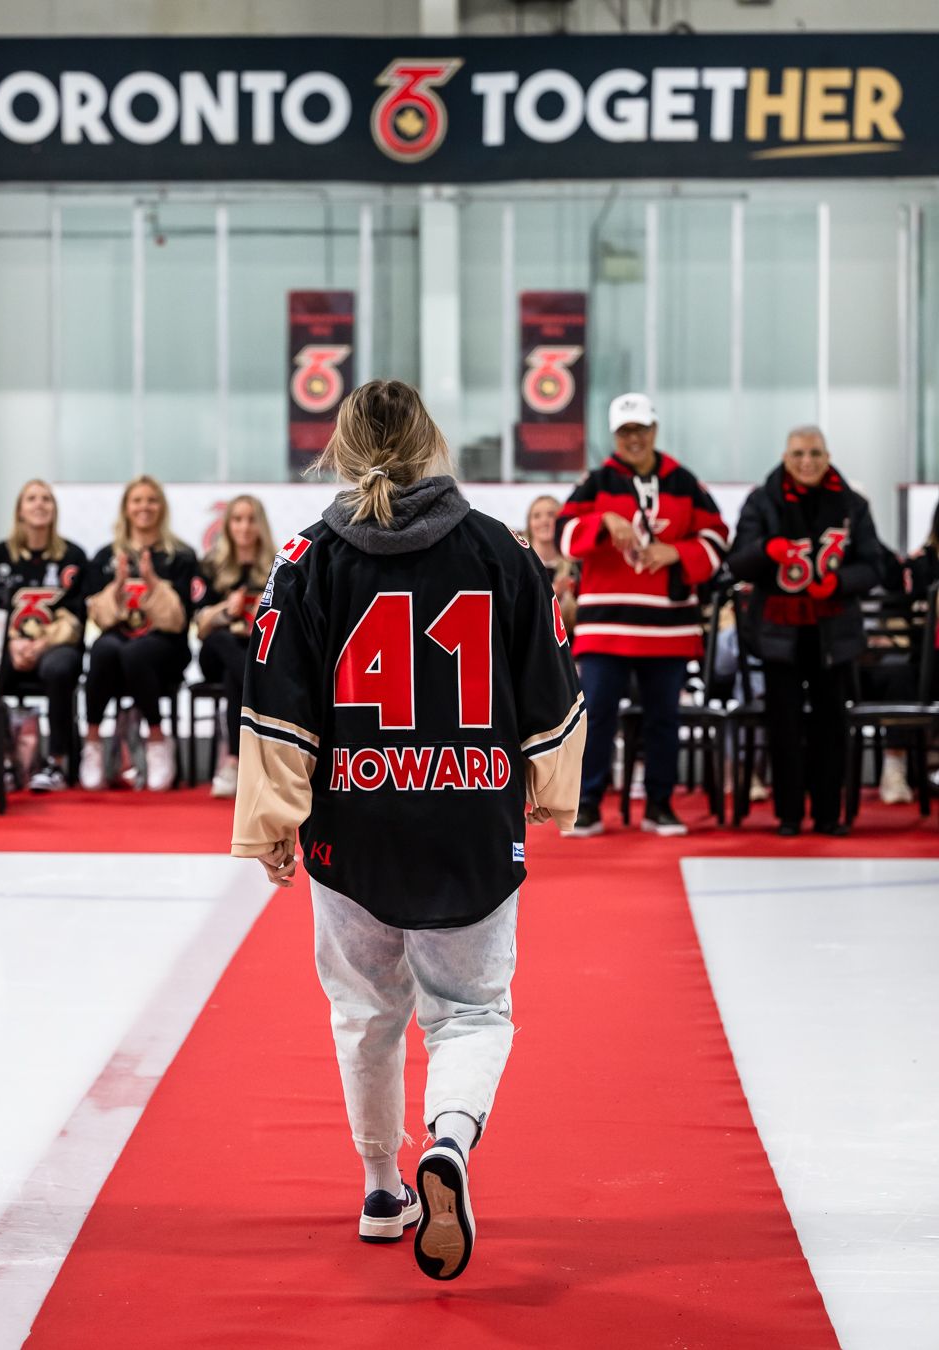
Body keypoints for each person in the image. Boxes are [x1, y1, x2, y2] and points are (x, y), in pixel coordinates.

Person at [231, 379, 585, 1281]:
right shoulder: (500, 551)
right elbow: (551, 682)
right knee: (470, 1014)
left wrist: (272, 821)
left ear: (340, 448)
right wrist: (550, 785)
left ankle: (384, 1186)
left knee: (365, 1013)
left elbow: (275, 702)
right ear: (432, 443)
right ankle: (452, 1146)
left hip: (355, 829)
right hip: (471, 817)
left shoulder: (305, 559)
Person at [555, 392, 729, 837]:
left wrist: (677, 551)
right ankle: (588, 804)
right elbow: (565, 537)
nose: (634, 438)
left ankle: (660, 804)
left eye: (641, 429)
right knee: (596, 718)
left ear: (654, 430)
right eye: (625, 431)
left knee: (663, 719)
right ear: (616, 436)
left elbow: (717, 541)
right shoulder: (596, 482)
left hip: (668, 626)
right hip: (607, 625)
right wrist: (603, 523)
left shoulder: (684, 481)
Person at [728, 426, 883, 835]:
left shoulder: (853, 504)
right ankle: (790, 815)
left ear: (828, 455)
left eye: (815, 452)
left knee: (832, 723)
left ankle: (829, 814)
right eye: (798, 453)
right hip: (779, 632)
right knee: (784, 723)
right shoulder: (762, 501)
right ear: (785, 456)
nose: (807, 461)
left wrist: (841, 582)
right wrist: (766, 551)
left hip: (834, 632)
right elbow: (737, 562)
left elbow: (875, 565)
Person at [81, 475, 199, 792]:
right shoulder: (107, 556)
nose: (144, 507)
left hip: (166, 647)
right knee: (103, 648)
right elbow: (100, 617)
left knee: (136, 652)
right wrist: (117, 586)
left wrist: (154, 582)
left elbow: (178, 621)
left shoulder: (181, 557)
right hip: (118, 646)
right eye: (137, 500)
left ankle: (157, 740)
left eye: (151, 500)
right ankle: (92, 741)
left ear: (162, 507)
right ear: (126, 508)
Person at [0, 480, 88, 793]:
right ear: (20, 510)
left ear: (54, 510)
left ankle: (56, 762)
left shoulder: (73, 556)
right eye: (32, 499)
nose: (39, 504)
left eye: (46, 499)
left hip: (56, 645)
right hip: (9, 644)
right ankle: (2, 764)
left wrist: (43, 643)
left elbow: (76, 617)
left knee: (59, 668)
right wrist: (12, 643)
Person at [195, 494, 275, 798]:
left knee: (235, 676)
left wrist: (260, 619)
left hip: (254, 652)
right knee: (221, 638)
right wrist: (225, 611)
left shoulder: (277, 566)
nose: (244, 527)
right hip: (215, 655)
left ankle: (233, 762)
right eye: (237, 519)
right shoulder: (211, 565)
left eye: (251, 519)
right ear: (227, 525)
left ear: (261, 525)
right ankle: (258, 758)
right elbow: (200, 626)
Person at [525, 494, 578, 639]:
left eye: (551, 515)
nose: (544, 521)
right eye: (537, 516)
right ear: (529, 524)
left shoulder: (576, 567)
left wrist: (567, 600)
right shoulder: (521, 564)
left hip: (569, 650)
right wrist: (552, 594)